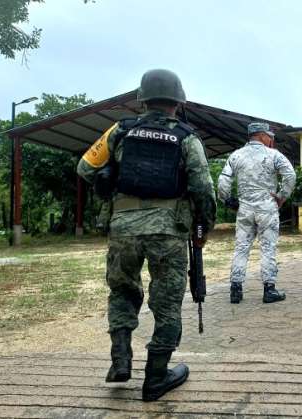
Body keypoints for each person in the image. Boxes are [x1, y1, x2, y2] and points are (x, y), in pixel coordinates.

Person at [77, 69, 217, 402]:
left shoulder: (120, 130)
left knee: (122, 291)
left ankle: (120, 361)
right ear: (178, 102)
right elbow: (203, 188)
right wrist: (203, 227)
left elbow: (85, 169)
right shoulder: (187, 137)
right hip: (168, 232)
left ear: (142, 99)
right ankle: (156, 377)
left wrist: (110, 179)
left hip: (123, 227)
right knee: (167, 302)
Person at [218, 122, 296, 304]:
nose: (271, 140)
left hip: (245, 208)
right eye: (269, 136)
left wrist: (228, 201)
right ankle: (269, 289)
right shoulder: (273, 155)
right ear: (261, 135)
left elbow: (223, 180)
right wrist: (282, 197)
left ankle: (235, 289)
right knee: (268, 247)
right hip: (267, 208)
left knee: (241, 247)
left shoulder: (236, 155)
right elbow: (290, 175)